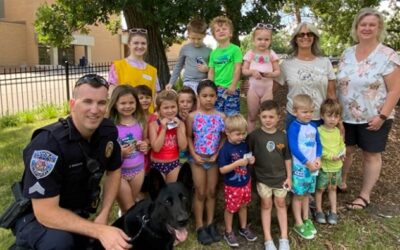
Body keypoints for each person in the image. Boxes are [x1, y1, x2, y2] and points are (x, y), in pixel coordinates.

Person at [13, 74, 131, 249]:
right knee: (59, 243)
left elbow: (114, 170)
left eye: (101, 103)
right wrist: (98, 230)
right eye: (87, 101)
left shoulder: (107, 131)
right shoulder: (47, 146)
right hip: (36, 218)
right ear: (72, 104)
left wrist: (104, 213)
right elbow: (45, 213)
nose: (95, 109)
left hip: (77, 212)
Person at [336, 8, 400, 209]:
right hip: (346, 114)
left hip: (374, 116)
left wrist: (382, 116)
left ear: (379, 27)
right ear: (356, 27)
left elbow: (395, 90)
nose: (367, 28)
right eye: (363, 24)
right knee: (345, 149)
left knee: (370, 154)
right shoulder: (347, 53)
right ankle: (341, 182)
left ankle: (364, 196)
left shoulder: (388, 55)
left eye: (372, 24)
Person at [248, 100, 291, 250]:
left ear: (278, 117)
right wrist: (249, 161)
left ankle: (284, 237)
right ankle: (268, 239)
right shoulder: (254, 136)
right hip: (263, 179)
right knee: (266, 204)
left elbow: (287, 158)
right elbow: (248, 154)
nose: (267, 120)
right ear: (259, 116)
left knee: (280, 203)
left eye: (271, 117)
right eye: (264, 116)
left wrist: (289, 177)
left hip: (280, 178)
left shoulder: (282, 136)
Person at [186, 79, 225, 245]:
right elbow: (188, 136)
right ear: (198, 96)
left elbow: (223, 137)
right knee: (200, 192)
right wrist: (194, 155)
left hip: (213, 160)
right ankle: (199, 225)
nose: (208, 99)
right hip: (198, 160)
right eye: (204, 96)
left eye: (212, 96)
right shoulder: (192, 116)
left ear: (216, 97)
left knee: (211, 192)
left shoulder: (221, 116)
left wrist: (217, 154)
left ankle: (210, 223)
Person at [276, 22, 336, 129]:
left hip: (320, 118)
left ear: (314, 38)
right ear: (295, 38)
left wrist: (336, 119)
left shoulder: (325, 62)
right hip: (295, 118)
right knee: (294, 146)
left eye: (309, 34)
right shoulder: (286, 64)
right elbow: (271, 87)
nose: (305, 37)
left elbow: (331, 94)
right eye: (301, 34)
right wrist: (253, 85)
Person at [107, 85, 149, 214]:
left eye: (131, 102)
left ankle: (125, 221)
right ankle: (126, 228)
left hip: (138, 170)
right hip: (119, 172)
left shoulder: (141, 121)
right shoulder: (110, 125)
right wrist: (120, 153)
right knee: (129, 206)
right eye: (123, 103)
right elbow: (106, 151)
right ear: (115, 104)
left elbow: (146, 140)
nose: (128, 106)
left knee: (131, 202)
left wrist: (145, 145)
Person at [217, 114, 257, 247]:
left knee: (243, 206)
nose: (241, 136)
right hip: (232, 185)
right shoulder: (225, 150)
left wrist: (251, 160)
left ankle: (243, 227)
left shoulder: (244, 145)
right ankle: (228, 231)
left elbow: (249, 157)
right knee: (230, 208)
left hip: (245, 182)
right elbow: (222, 170)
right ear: (227, 133)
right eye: (237, 134)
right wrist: (237, 163)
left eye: (243, 133)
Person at [287, 94, 321, 240]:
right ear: (295, 111)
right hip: (300, 167)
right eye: (304, 112)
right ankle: (298, 222)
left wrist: (318, 158)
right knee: (298, 195)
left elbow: (318, 144)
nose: (308, 115)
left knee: (307, 194)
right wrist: (307, 162)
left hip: (312, 167)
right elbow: (293, 147)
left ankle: (306, 219)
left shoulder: (313, 126)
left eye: (310, 112)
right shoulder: (294, 127)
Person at [108, 28, 160, 113]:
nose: (140, 46)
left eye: (143, 43)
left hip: (147, 118)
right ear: (129, 44)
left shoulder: (152, 71)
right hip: (126, 116)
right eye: (136, 43)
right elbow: (112, 94)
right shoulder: (117, 66)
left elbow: (155, 96)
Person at [242, 23, 281, 132]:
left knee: (268, 117)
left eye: (266, 39)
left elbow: (277, 71)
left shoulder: (271, 54)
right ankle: (250, 141)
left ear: (270, 41)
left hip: (267, 89)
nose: (263, 42)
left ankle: (266, 139)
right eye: (259, 39)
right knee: (252, 116)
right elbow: (244, 70)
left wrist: (271, 74)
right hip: (253, 89)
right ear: (254, 40)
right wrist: (252, 72)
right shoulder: (250, 53)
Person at [315, 99, 345, 225]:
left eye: (336, 116)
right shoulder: (318, 131)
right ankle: (319, 210)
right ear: (322, 115)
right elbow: (317, 148)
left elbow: (341, 144)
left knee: (333, 188)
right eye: (329, 115)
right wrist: (329, 156)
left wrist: (342, 152)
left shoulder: (338, 131)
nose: (333, 119)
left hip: (336, 167)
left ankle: (333, 211)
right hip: (324, 166)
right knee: (320, 189)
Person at [149, 90, 188, 183]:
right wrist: (163, 128)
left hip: (173, 164)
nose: (170, 110)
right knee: (159, 194)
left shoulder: (181, 124)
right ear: (158, 109)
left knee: (171, 191)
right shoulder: (153, 125)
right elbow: (156, 148)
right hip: (157, 163)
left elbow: (183, 147)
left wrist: (178, 128)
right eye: (166, 108)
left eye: (173, 107)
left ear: (177, 107)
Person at [208, 16, 243, 116]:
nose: (221, 31)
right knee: (217, 114)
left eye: (224, 29)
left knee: (231, 115)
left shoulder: (235, 49)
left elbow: (237, 68)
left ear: (230, 33)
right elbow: (211, 71)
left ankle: (231, 132)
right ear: (214, 35)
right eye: (217, 30)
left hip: (231, 89)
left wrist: (233, 85)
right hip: (217, 89)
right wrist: (210, 87)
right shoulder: (213, 53)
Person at [166, 19, 211, 93]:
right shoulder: (185, 48)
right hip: (188, 83)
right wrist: (171, 82)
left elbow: (214, 69)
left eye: (199, 39)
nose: (196, 41)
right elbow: (178, 66)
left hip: (203, 83)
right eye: (193, 38)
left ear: (204, 35)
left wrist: (208, 69)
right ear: (188, 34)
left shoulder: (209, 51)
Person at [177, 86, 197, 164]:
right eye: (182, 102)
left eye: (189, 102)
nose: (185, 104)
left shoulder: (196, 117)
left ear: (194, 103)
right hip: (178, 154)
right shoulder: (174, 117)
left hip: (193, 153)